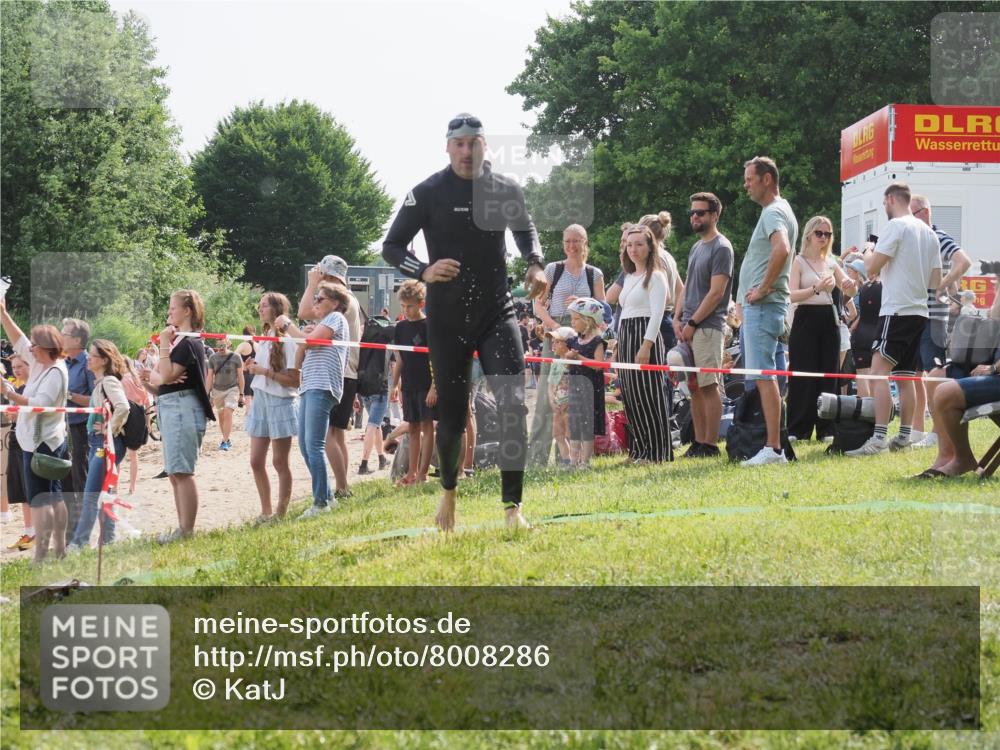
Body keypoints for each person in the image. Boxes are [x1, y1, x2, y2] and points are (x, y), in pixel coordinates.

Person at [382, 112, 546, 531]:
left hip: (497, 311)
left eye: (474, 142)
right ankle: (449, 492)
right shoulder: (428, 191)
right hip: (448, 318)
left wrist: (534, 264)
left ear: (484, 146)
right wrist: (422, 270)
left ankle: (513, 507)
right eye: (459, 143)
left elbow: (526, 230)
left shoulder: (504, 188)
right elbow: (391, 246)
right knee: (452, 417)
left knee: (512, 405)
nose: (467, 150)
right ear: (448, 147)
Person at [847, 182, 941, 456]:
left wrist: (867, 253)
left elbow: (872, 268)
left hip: (896, 310)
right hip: (919, 312)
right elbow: (935, 280)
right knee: (905, 376)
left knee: (878, 375)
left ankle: (878, 439)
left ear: (890, 200)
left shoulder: (896, 226)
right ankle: (904, 436)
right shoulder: (929, 233)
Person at [139, 290, 216, 542]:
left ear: (187, 311)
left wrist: (162, 345)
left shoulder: (188, 342)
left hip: (183, 408)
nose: (168, 313)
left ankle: (187, 531)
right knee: (174, 472)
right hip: (170, 405)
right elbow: (164, 380)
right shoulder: (181, 342)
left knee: (182, 471)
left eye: (173, 308)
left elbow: (168, 375)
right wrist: (155, 378)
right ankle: (181, 527)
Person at [737, 156, 798, 466]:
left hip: (764, 307)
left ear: (767, 179)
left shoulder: (774, 211)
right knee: (767, 375)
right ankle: (774, 445)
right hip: (766, 308)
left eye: (750, 178)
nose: (746, 184)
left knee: (764, 375)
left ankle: (773, 448)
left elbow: (782, 249)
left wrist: (761, 289)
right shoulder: (779, 210)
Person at [529, 224, 606, 466]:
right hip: (558, 332)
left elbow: (604, 312)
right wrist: (555, 328)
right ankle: (537, 457)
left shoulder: (595, 274)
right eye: (567, 241)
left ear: (585, 243)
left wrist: (585, 303)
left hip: (583, 335)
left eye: (576, 241)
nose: (571, 246)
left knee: (574, 398)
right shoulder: (553, 269)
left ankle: (574, 458)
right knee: (548, 395)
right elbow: (538, 305)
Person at [1, 300, 69, 563]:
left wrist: (9, 394)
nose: (28, 347)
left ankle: (43, 552)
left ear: (44, 348)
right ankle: (58, 549)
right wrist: (3, 314)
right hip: (40, 441)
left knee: (41, 499)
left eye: (33, 344)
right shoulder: (42, 362)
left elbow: (39, 405)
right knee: (51, 496)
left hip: (42, 443)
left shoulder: (54, 371)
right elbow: (17, 338)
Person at [277, 283, 350, 517]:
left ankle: (321, 503)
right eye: (315, 299)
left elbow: (313, 343)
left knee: (315, 445)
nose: (315, 303)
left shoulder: (337, 317)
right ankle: (326, 497)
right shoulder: (321, 324)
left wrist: (289, 326)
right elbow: (302, 352)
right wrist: (300, 335)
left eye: (320, 299)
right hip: (310, 385)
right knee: (306, 446)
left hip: (322, 385)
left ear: (335, 302)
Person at [909, 194, 973, 449]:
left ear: (924, 213)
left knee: (935, 373)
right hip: (916, 314)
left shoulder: (937, 236)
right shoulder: (919, 239)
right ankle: (916, 430)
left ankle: (937, 432)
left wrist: (943, 286)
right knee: (915, 374)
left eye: (910, 214)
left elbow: (963, 261)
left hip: (933, 317)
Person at [673, 192, 734, 457]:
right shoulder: (697, 247)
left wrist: (694, 322)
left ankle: (710, 444)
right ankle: (698, 442)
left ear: (714, 215)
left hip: (708, 327)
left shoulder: (722, 247)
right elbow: (686, 286)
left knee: (709, 386)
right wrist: (677, 317)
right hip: (688, 326)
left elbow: (716, 293)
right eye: (692, 213)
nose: (694, 217)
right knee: (693, 388)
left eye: (700, 213)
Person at [786, 216, 856, 441]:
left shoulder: (832, 261)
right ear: (809, 235)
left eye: (827, 234)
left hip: (829, 318)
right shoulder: (798, 261)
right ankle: (799, 428)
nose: (823, 238)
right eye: (819, 234)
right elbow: (791, 295)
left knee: (829, 372)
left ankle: (827, 427)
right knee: (804, 373)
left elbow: (849, 292)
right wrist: (816, 288)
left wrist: (850, 286)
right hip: (805, 317)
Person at [299, 255, 361, 501]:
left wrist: (311, 283)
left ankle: (340, 489)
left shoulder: (336, 303)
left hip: (334, 372)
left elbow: (303, 311)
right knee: (336, 433)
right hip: (346, 371)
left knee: (327, 436)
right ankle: (343, 486)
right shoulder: (350, 299)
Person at [67, 339, 130, 551]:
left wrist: (109, 430)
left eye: (92, 355)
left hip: (105, 444)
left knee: (91, 495)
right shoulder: (99, 384)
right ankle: (109, 540)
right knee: (104, 493)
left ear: (103, 360)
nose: (89, 358)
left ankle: (79, 543)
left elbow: (123, 407)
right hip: (100, 443)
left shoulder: (109, 382)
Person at [243, 292, 301, 521]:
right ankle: (265, 512)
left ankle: (281, 512)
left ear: (277, 308)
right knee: (256, 461)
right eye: (259, 305)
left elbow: (295, 380)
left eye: (264, 305)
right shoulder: (265, 335)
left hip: (280, 402)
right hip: (261, 400)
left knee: (279, 462)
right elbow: (265, 369)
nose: (260, 309)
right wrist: (254, 366)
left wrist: (264, 372)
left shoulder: (288, 339)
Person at [617, 225, 672, 463]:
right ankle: (639, 449)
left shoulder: (656, 276)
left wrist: (646, 345)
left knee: (649, 395)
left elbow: (658, 314)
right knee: (630, 395)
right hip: (626, 334)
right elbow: (622, 310)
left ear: (650, 247)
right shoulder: (629, 277)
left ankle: (657, 451)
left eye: (639, 244)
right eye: (630, 244)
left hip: (644, 334)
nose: (634, 249)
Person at [390, 280, 437, 485]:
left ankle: (423, 474)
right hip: (408, 384)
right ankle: (411, 473)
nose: (406, 310)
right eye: (403, 306)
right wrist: (394, 384)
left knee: (428, 428)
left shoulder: (430, 325)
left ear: (421, 303)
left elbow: (437, 358)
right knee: (412, 428)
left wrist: (434, 387)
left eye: (409, 306)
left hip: (427, 384)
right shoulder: (400, 327)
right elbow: (400, 357)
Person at [59, 317, 95, 545]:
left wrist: (68, 395)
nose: (60, 337)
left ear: (77, 340)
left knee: (81, 482)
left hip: (82, 430)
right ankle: (70, 534)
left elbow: (96, 400)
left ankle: (83, 536)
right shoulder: (62, 363)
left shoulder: (90, 363)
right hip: (63, 428)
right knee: (65, 483)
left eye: (64, 334)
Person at [565, 298, 606, 467]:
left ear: (588, 321)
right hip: (575, 388)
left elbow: (598, 365)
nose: (572, 322)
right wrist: (568, 358)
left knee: (587, 428)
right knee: (575, 426)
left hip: (591, 390)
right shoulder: (574, 341)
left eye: (575, 319)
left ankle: (585, 462)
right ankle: (573, 461)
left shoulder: (597, 342)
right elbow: (569, 364)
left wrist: (578, 357)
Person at [2, 354, 34, 550]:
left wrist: (17, 415)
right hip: (17, 439)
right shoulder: (21, 388)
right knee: (22, 491)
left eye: (21, 366)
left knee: (31, 491)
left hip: (30, 443)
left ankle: (36, 533)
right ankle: (29, 532)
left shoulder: (32, 389)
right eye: (14, 367)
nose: (17, 370)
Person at [847, 255, 882, 399]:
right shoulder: (885, 287)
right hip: (878, 334)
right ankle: (875, 411)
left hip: (861, 335)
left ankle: (864, 413)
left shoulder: (863, 289)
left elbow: (859, 314)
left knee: (862, 376)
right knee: (876, 377)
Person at [206, 336, 245, 451]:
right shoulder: (213, 358)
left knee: (228, 411)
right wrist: (207, 393)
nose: (221, 347)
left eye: (223, 345)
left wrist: (241, 394)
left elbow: (241, 376)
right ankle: (226, 439)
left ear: (228, 343)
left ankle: (224, 442)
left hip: (232, 389)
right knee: (221, 416)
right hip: (217, 390)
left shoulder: (236, 357)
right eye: (219, 345)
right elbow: (209, 377)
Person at [545, 327, 575, 465]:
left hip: (569, 404)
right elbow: (550, 384)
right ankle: (566, 460)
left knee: (570, 433)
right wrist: (551, 400)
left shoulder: (572, 362)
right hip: (557, 403)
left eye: (557, 342)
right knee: (558, 434)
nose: (553, 345)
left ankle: (576, 460)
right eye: (553, 342)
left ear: (567, 343)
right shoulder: (555, 362)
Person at [235, 325, 257, 413]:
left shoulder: (244, 344)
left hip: (247, 375)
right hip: (257, 374)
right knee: (254, 399)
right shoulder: (257, 345)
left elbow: (234, 354)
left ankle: (249, 420)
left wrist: (243, 364)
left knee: (248, 399)